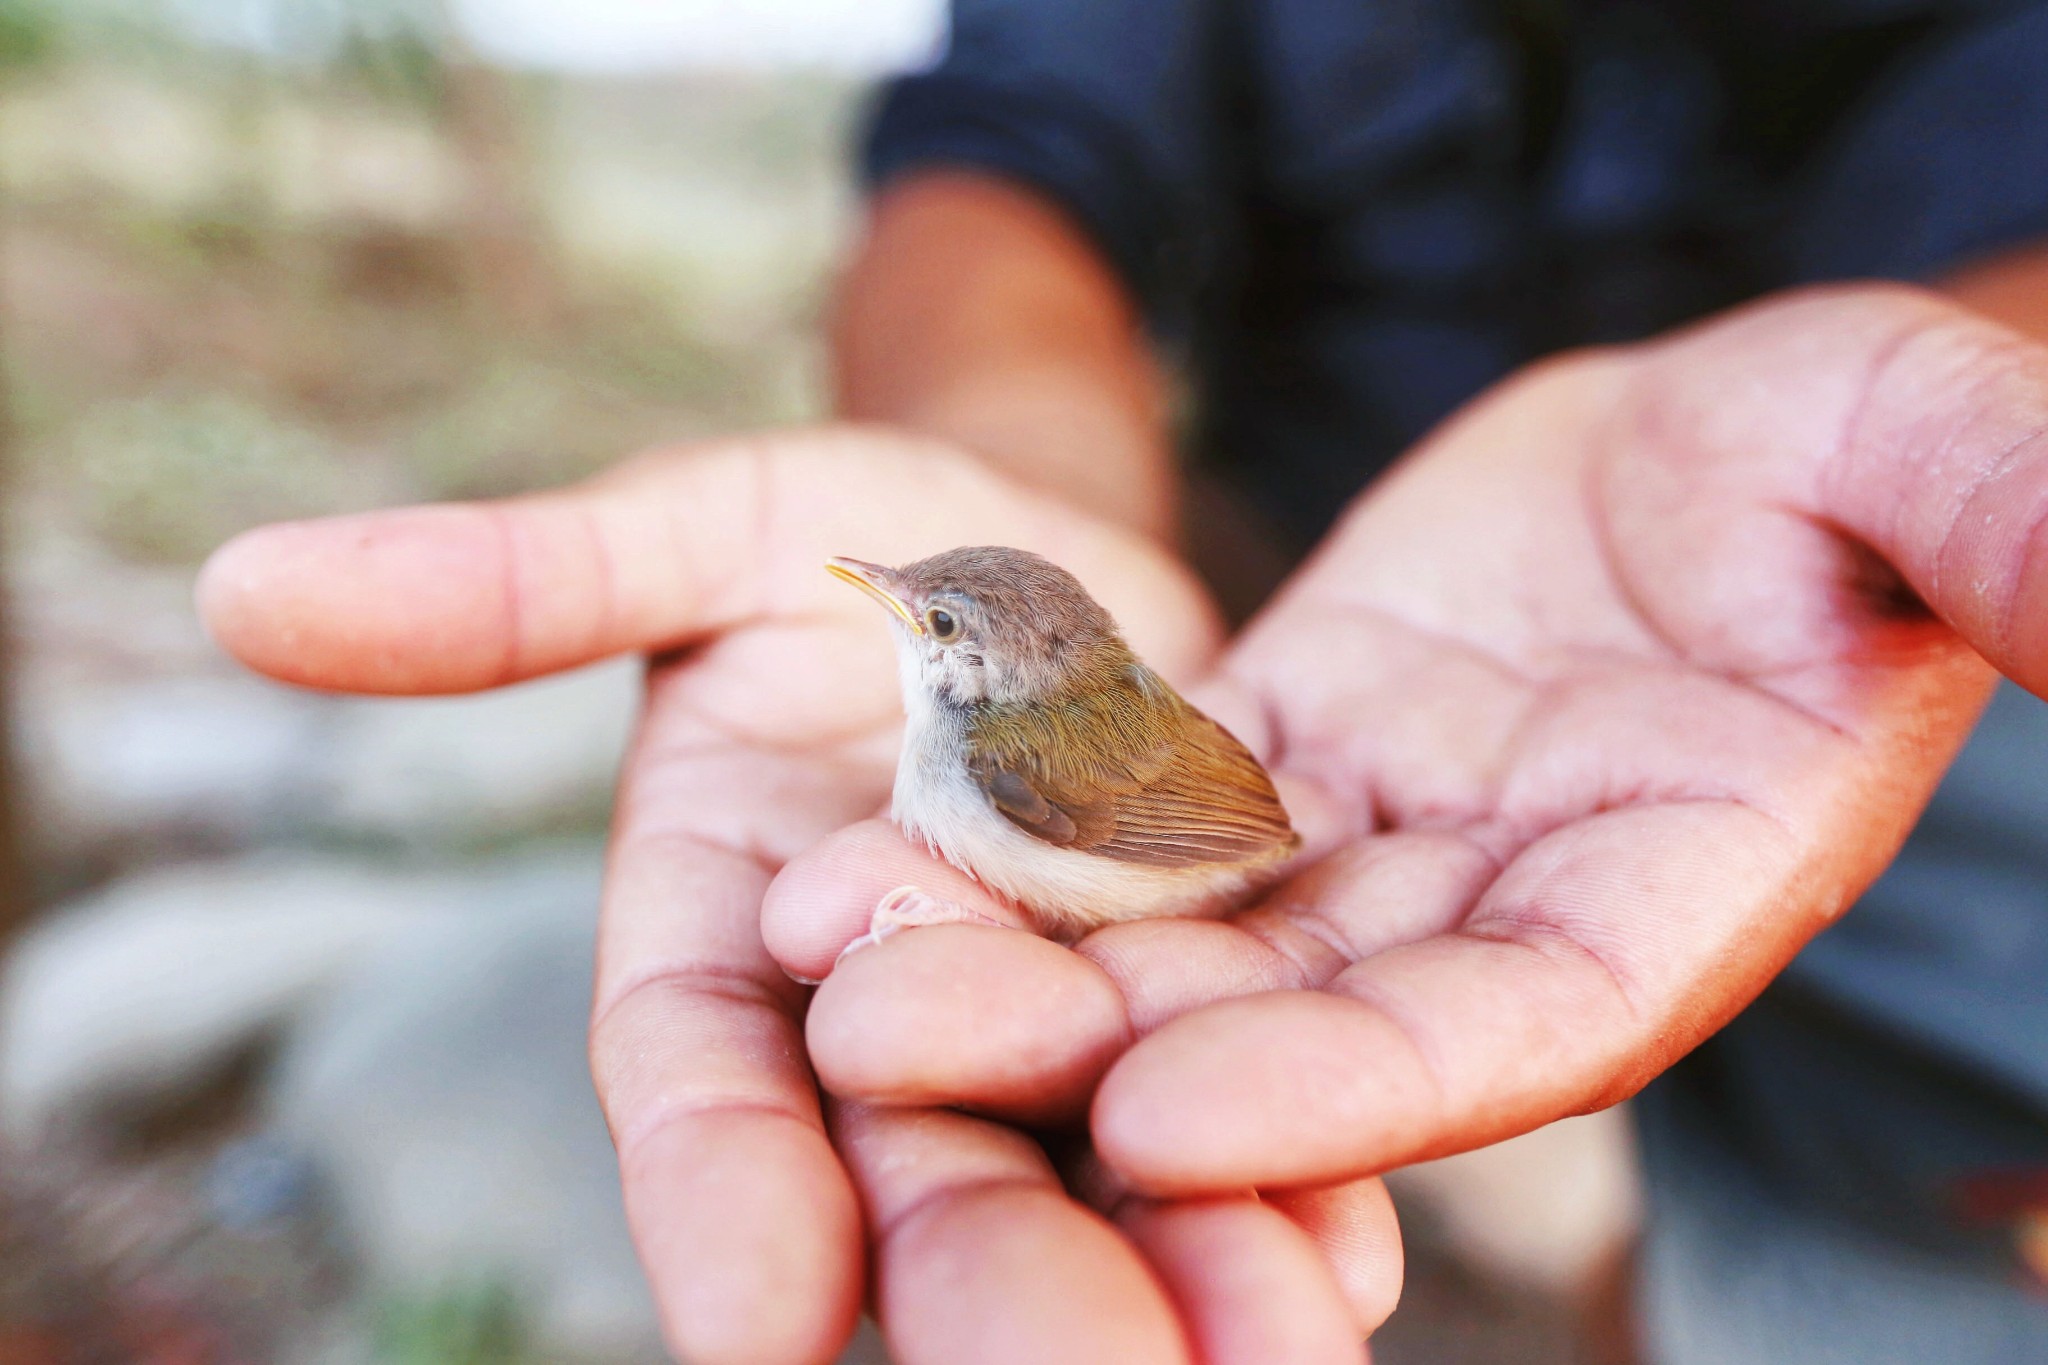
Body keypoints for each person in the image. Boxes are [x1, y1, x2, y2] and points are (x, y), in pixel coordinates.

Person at [198, 2, 2048, 1361]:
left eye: (926, 624)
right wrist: (1001, 456)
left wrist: (1937, 414)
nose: (894, 624)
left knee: (1925, 1172)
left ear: (985, 673)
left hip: (1835, 637)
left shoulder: (1008, 757)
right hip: (1308, 584)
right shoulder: (992, 723)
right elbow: (1008, 139)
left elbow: (1203, 808)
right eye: (915, 615)